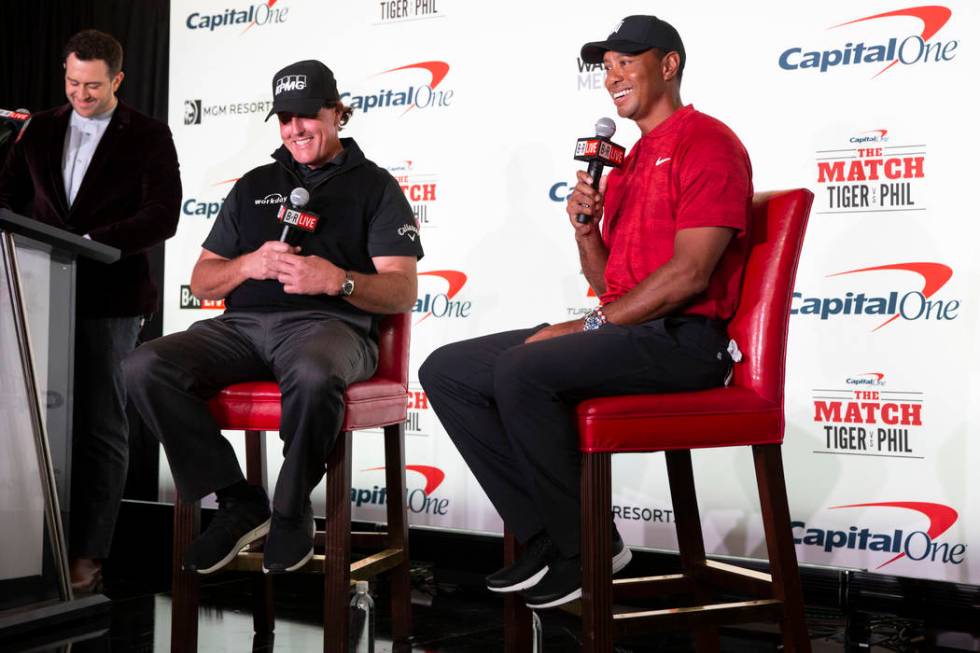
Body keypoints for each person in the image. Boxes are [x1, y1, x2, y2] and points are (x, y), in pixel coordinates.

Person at [419, 15, 753, 609]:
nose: (613, 77)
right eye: (607, 68)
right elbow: (609, 286)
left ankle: (588, 549)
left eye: (627, 62)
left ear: (668, 64)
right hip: (634, 332)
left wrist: (587, 325)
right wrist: (586, 232)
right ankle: (551, 534)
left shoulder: (708, 142)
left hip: (686, 342)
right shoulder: (625, 164)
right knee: (448, 370)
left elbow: (690, 275)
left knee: (524, 368)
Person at [123, 59, 423, 575]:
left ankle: (290, 510)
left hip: (328, 327)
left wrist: (338, 281)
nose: (294, 130)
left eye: (305, 116)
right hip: (241, 329)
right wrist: (247, 264)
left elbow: (402, 289)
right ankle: (239, 501)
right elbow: (203, 280)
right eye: (284, 118)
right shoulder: (254, 183)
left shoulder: (375, 187)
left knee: (312, 373)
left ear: (335, 112)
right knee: (141, 367)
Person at [0, 29, 181, 593]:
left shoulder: (149, 135)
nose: (81, 94)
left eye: (94, 86)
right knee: (31, 423)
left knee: (102, 424)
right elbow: (9, 199)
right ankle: (28, 546)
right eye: (73, 83)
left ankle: (88, 553)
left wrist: (87, 239)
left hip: (112, 298)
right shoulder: (39, 128)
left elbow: (163, 216)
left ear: (118, 81)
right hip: (37, 290)